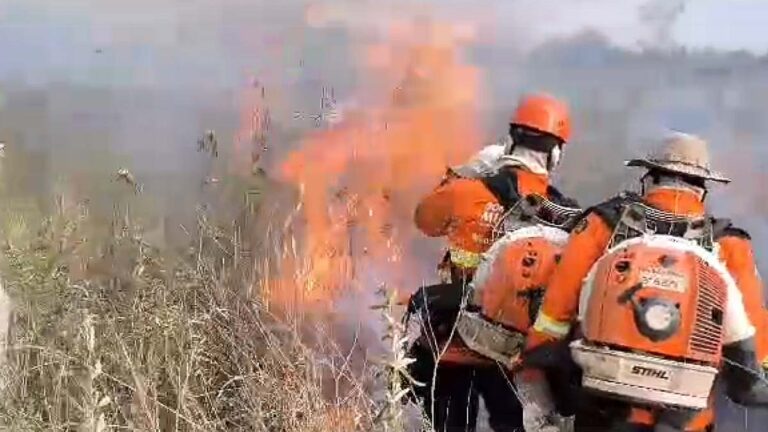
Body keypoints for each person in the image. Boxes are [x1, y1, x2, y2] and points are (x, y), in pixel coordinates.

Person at [520, 132, 768, 431]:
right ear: (702, 190)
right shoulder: (729, 245)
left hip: (603, 405)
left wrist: (539, 373)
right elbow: (754, 344)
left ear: (648, 179)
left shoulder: (602, 225)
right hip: (687, 417)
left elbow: (554, 314)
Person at [407, 92, 579, 431]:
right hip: (513, 353)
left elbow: (423, 220)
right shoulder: (564, 212)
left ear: (511, 141)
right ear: (555, 153)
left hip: (452, 341)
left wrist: (464, 174)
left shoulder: (466, 191)